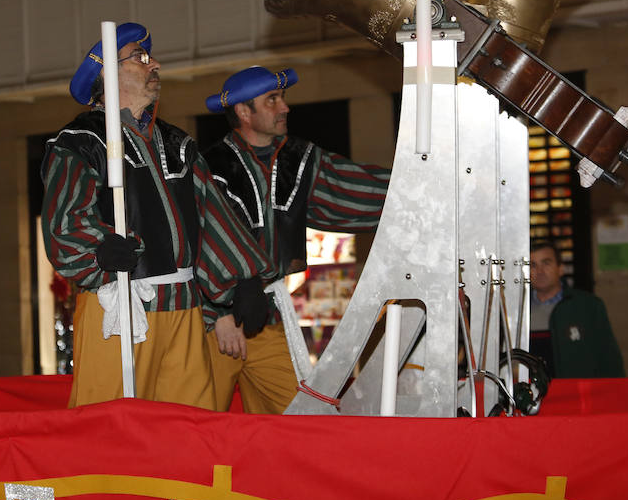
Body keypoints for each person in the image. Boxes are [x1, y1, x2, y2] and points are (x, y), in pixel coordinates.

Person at [40, 23, 274, 409]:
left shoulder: (177, 143)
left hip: (184, 307)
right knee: (110, 431)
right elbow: (65, 222)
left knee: (188, 428)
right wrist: (99, 250)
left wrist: (243, 280)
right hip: (119, 310)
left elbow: (212, 215)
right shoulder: (79, 141)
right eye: (141, 57)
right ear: (107, 74)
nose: (156, 64)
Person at [202, 65, 390, 413]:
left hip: (267, 324)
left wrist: (422, 185)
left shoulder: (298, 159)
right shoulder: (207, 167)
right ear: (243, 111)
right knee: (201, 431)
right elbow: (193, 245)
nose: (284, 107)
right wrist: (217, 317)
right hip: (215, 329)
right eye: (272, 100)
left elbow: (353, 186)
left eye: (283, 98)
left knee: (302, 421)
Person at [528, 242, 624, 378]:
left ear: (561, 269)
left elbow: (609, 358)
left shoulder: (588, 306)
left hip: (578, 394)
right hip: (533, 396)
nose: (540, 271)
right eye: (533, 265)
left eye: (546, 263)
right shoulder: (520, 311)